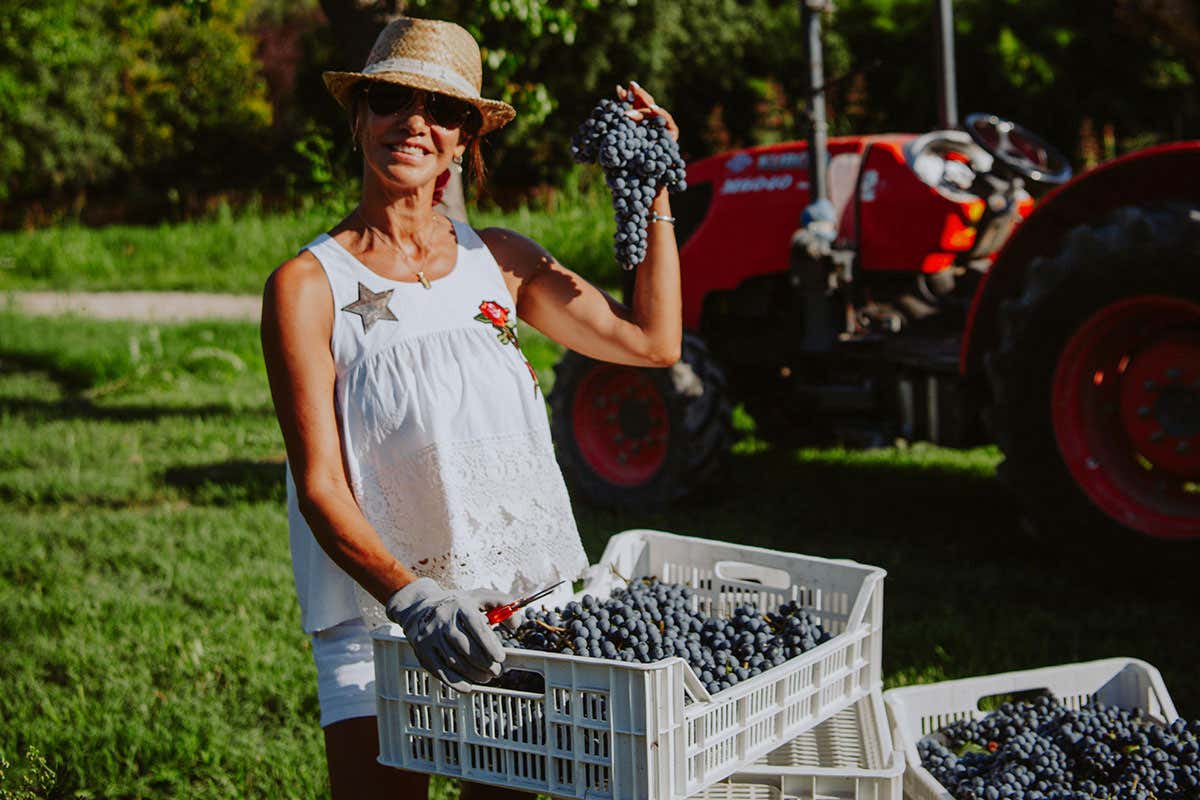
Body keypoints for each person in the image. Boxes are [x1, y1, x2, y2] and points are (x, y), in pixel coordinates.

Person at [260, 16, 681, 800]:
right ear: (358, 117)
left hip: (517, 614)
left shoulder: (504, 262)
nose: (414, 121)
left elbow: (653, 343)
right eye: (392, 98)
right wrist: (413, 601)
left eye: (443, 109)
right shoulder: (307, 286)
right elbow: (320, 484)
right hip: (383, 621)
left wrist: (653, 181)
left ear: (464, 140)